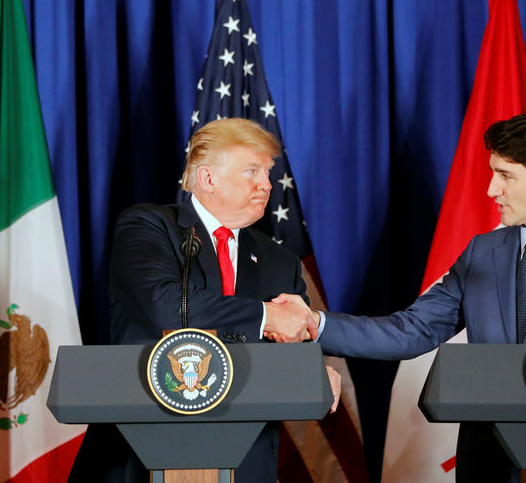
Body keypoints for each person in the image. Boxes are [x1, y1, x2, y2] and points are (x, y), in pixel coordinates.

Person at [289, 110, 526, 482]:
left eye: (506, 175)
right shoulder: (482, 253)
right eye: (493, 173)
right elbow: (411, 330)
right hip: (486, 465)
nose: (491, 190)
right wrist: (314, 323)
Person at [70, 118, 338, 483]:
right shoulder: (149, 226)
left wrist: (311, 370)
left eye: (268, 172)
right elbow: (162, 303)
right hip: (142, 451)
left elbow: (292, 339)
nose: (265, 184)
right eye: (251, 170)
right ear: (208, 178)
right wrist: (265, 316)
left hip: (247, 459)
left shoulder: (280, 262)